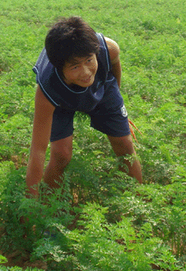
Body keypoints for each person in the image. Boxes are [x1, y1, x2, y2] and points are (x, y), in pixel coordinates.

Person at [25, 16, 143, 197]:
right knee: (61, 155)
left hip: (102, 87)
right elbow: (38, 151)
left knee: (124, 144)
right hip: (62, 101)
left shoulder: (108, 49)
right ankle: (47, 204)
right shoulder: (48, 90)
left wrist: (115, 109)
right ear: (59, 67)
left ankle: (138, 198)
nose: (86, 72)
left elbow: (115, 67)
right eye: (75, 67)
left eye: (89, 60)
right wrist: (30, 205)